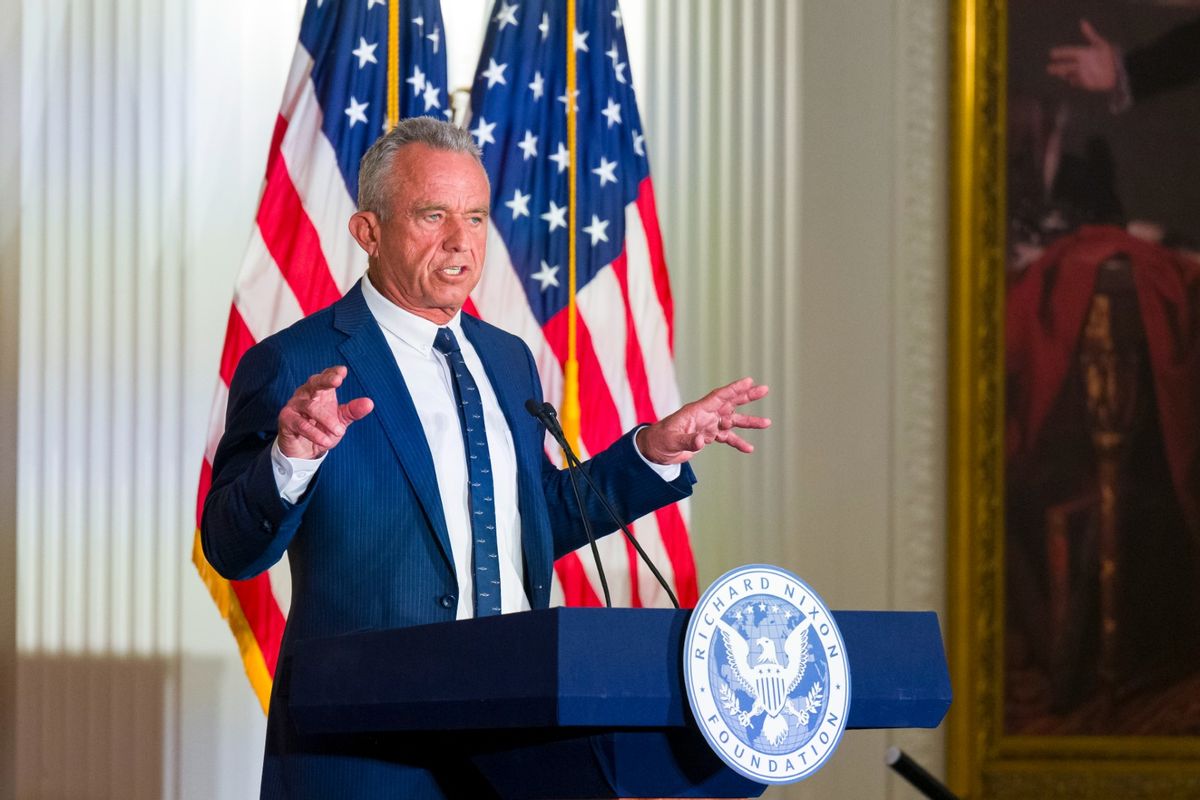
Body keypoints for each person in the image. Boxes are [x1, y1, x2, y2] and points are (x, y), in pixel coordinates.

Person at [201, 116, 770, 798]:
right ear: (368, 232)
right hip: (364, 754)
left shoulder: (508, 360)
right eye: (433, 215)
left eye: (474, 218)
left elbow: (526, 522)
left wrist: (651, 452)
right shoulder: (295, 363)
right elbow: (232, 549)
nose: (459, 242)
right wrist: (290, 459)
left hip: (514, 745)